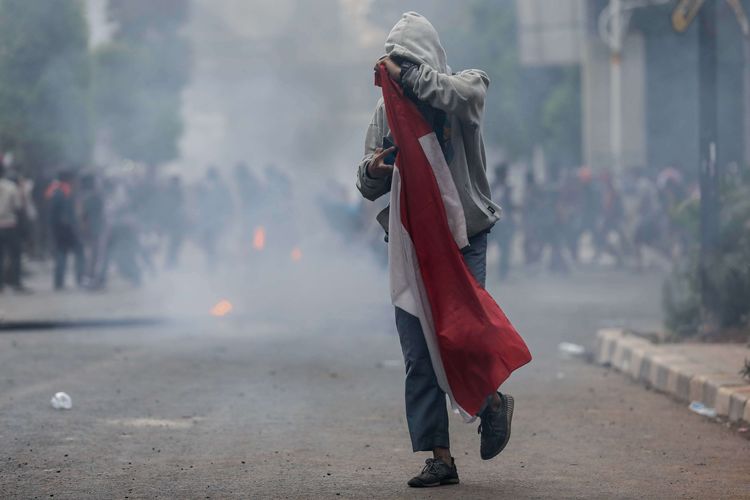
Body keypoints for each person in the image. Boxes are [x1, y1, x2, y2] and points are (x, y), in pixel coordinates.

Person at [356, 12, 515, 488]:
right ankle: (440, 458)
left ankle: (491, 403)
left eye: (407, 61)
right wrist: (376, 170)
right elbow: (364, 180)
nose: (398, 73)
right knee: (418, 353)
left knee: (462, 336)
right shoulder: (385, 113)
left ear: (425, 58)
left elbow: (463, 98)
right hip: (410, 242)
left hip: (463, 235)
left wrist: (411, 76)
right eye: (394, 62)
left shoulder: (463, 87)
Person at [46, 170, 84, 290]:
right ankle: (80, 279)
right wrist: (74, 228)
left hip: (58, 229)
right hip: (66, 229)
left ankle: (59, 282)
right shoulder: (65, 191)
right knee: (78, 252)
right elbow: (67, 214)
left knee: (61, 254)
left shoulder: (55, 191)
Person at [0, 165, 25, 292]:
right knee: (15, 255)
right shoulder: (11, 187)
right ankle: (16, 283)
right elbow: (18, 206)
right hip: (10, 224)